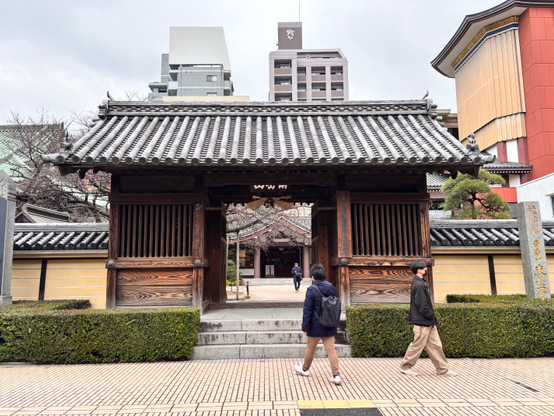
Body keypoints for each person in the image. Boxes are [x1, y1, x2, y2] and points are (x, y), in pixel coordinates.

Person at [400, 260, 457, 377]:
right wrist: (431, 315)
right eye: (424, 268)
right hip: (422, 321)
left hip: (428, 321)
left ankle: (443, 370)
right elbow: (422, 305)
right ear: (419, 270)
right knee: (417, 345)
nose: (426, 269)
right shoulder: (419, 284)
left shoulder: (419, 283)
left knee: (436, 345)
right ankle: (405, 367)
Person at [294, 263, 341, 385]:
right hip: (330, 324)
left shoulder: (311, 290)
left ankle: (305, 369)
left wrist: (305, 327)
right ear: (324, 276)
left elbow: (307, 310)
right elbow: (336, 306)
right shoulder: (332, 288)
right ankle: (336, 375)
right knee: (331, 350)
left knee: (310, 348)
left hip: (315, 325)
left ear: (313, 277)